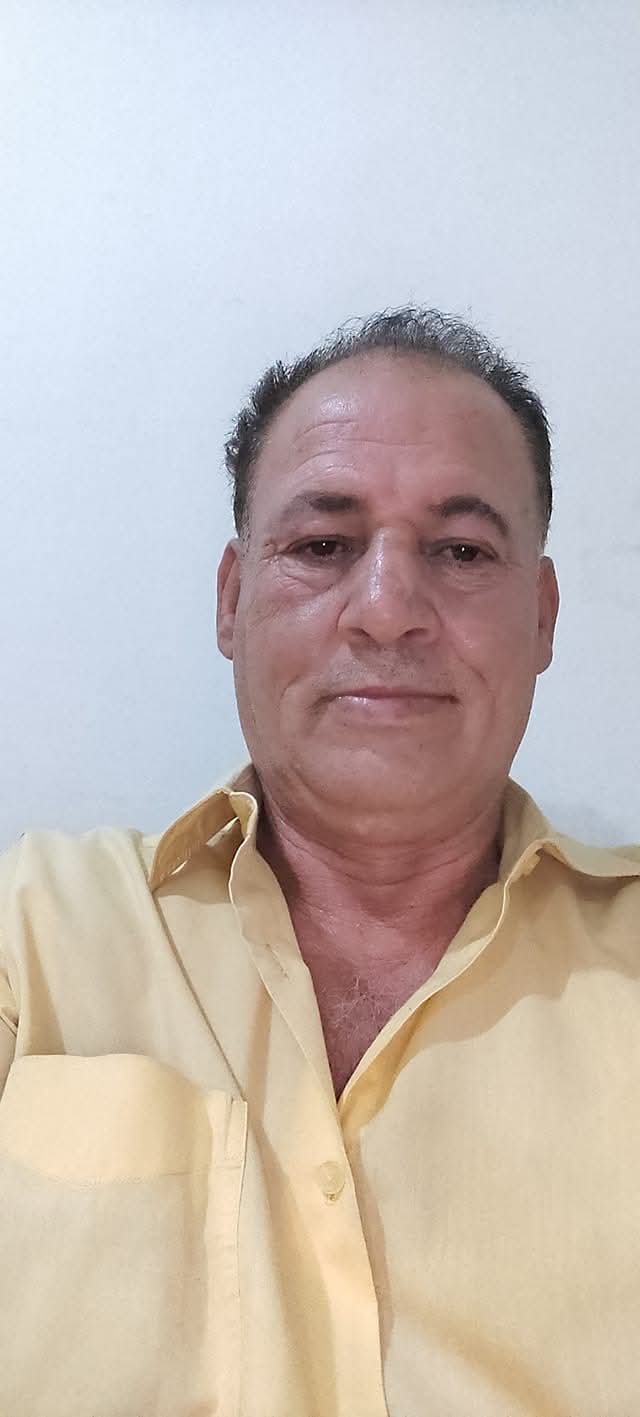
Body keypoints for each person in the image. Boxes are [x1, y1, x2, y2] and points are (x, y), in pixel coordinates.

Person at [1, 307, 639, 1417]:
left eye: (460, 550)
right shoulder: (33, 931)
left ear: (541, 617)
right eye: (322, 546)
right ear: (231, 600)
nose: (387, 611)